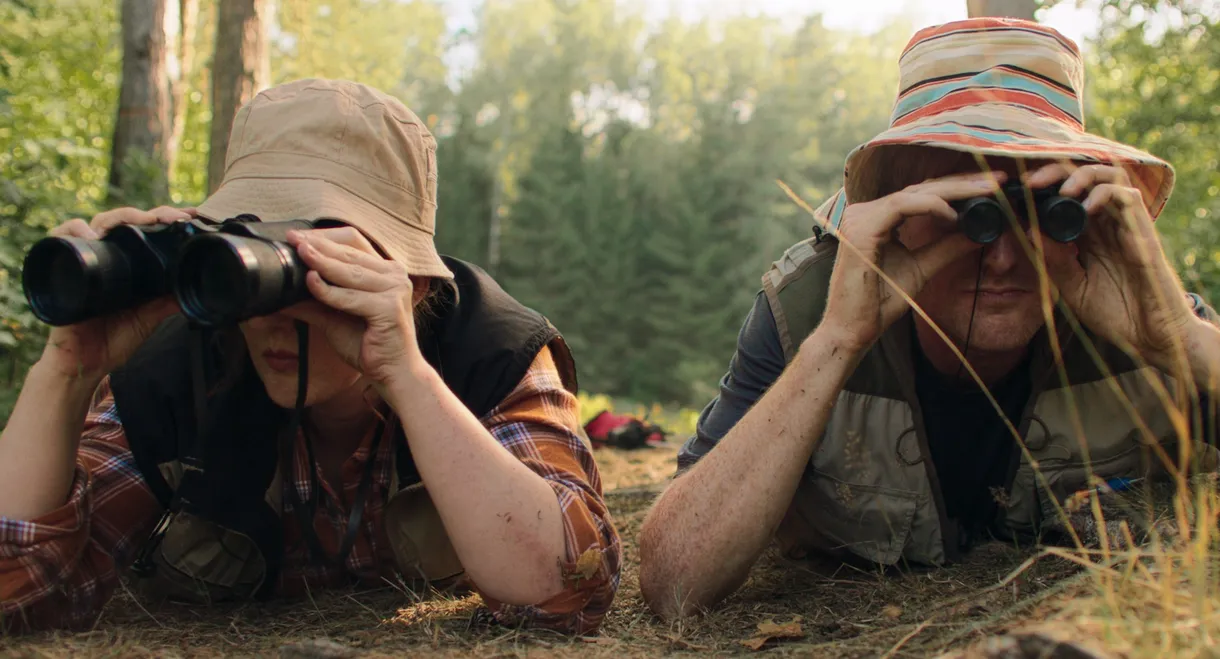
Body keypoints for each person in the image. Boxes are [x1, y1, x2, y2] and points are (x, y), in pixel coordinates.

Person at [637, 17, 1220, 619]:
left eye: (1039, 212)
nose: (1002, 257)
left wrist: (1182, 342)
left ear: (1083, 215)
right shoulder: (811, 307)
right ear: (900, 213)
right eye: (965, 212)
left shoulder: (1136, 299)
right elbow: (674, 579)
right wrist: (836, 342)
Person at [0, 79, 620, 635]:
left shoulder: (488, 350)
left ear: (412, 284)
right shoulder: (171, 371)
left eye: (306, 271)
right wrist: (67, 371)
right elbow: (19, 587)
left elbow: (569, 586)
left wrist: (407, 377)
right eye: (251, 264)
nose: (270, 314)